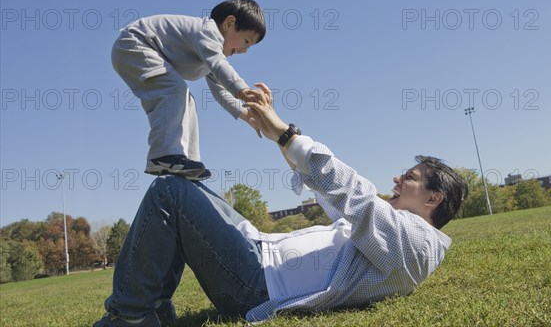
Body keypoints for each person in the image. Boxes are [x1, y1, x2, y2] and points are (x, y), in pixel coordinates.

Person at [93, 84, 468, 326]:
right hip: (255, 251)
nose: (398, 180)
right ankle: (154, 310)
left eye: (410, 178)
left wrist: (287, 133)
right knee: (184, 186)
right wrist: (279, 139)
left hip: (254, 283)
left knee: (169, 192)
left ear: (433, 199)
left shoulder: (417, 246)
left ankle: (129, 316)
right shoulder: (388, 236)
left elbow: (355, 195)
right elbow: (329, 191)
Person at [111, 0, 267, 180]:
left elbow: (220, 91)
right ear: (229, 23)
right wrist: (243, 90)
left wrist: (246, 115)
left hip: (136, 50)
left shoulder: (208, 53)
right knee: (174, 90)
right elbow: (219, 65)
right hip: (134, 44)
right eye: (246, 41)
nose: (244, 50)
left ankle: (188, 160)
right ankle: (162, 156)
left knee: (187, 99)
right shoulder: (208, 32)